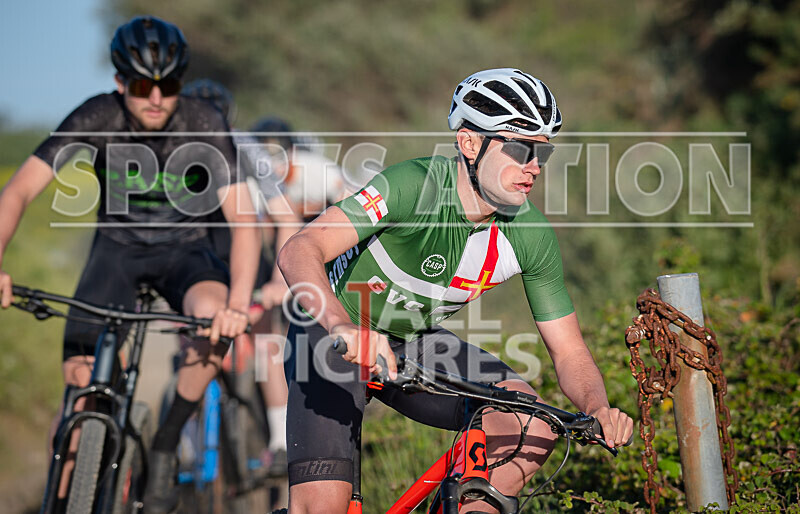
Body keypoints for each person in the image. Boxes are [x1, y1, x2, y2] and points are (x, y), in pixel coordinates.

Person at [276, 68, 634, 513]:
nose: (534, 166)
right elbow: (300, 247)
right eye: (520, 148)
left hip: (414, 342)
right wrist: (341, 325)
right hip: (330, 336)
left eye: (543, 152)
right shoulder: (412, 186)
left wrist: (598, 407)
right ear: (469, 143)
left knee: (532, 424)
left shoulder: (531, 234)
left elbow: (570, 352)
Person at [0, 16, 260, 513]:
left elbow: (244, 220)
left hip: (184, 251)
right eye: (143, 86)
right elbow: (18, 191)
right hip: (115, 252)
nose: (157, 98)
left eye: (169, 85)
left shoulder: (204, 121)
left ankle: (163, 443)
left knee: (214, 315)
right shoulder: (97, 115)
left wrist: (240, 302)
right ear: (120, 83)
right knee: (82, 392)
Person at [182, 80, 298, 474]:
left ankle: (282, 442)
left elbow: (286, 219)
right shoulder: (172, 149)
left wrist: (279, 282)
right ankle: (185, 435)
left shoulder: (246, 148)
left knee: (267, 343)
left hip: (244, 256)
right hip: (198, 259)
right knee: (188, 341)